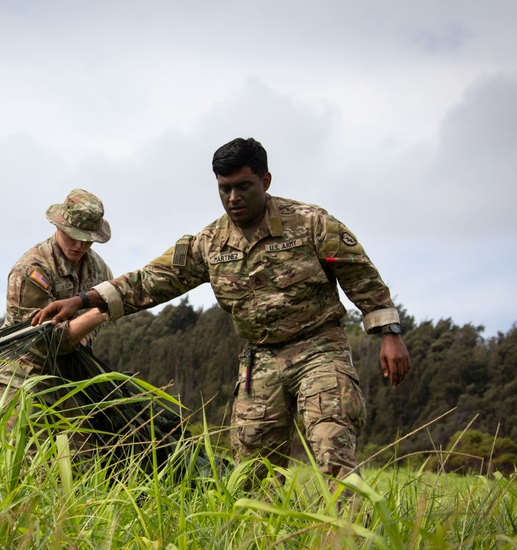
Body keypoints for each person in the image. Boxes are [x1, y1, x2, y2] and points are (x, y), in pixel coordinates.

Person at [32, 138, 410, 483]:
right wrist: (82, 301)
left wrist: (389, 335)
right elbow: (150, 280)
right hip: (258, 359)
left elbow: (361, 277)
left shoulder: (311, 223)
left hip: (318, 350)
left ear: (265, 180)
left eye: (242, 186)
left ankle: (352, 546)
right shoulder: (209, 242)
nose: (233, 197)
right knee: (249, 473)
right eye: (224, 188)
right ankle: (265, 549)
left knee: (332, 450)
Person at [0, 188, 113, 451]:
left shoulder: (100, 269)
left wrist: (88, 330)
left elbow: (103, 309)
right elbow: (42, 341)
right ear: (59, 226)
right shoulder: (31, 270)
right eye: (73, 236)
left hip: (70, 377)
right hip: (23, 377)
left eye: (87, 239)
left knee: (82, 462)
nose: (79, 246)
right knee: (26, 465)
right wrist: (98, 314)